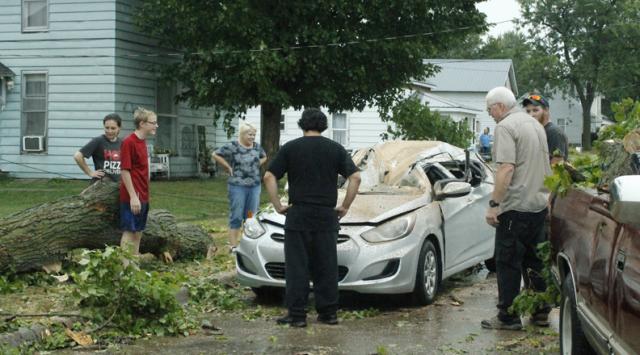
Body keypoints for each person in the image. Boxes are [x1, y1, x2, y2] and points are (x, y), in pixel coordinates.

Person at [264, 108, 361, 328]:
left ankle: (297, 315)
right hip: (326, 216)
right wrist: (345, 206)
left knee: (297, 266)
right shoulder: (335, 149)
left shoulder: (290, 148)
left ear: (302, 124)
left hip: (298, 215)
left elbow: (269, 176)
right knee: (326, 265)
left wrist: (278, 204)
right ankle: (328, 313)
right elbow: (355, 177)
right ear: (324, 125)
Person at [482, 87, 552, 330]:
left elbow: (506, 169)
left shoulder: (505, 127)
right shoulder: (534, 124)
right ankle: (540, 311)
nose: (489, 114)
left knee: (508, 261)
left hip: (516, 207)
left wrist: (494, 205)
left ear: (500, 106)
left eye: (489, 108)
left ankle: (508, 317)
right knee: (535, 262)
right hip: (538, 205)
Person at [212, 122, 267, 251]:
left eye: (254, 134)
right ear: (242, 134)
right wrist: (227, 166)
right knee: (236, 215)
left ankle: (248, 245)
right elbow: (215, 154)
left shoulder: (257, 147)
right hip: (237, 186)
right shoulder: (233, 146)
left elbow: (264, 157)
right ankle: (233, 246)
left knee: (250, 216)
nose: (252, 137)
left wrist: (257, 164)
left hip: (254, 187)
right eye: (250, 134)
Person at [119, 107, 157, 257]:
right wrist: (133, 196)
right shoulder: (129, 142)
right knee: (129, 232)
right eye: (153, 123)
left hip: (143, 195)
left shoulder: (143, 142)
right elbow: (125, 170)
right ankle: (125, 270)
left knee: (138, 232)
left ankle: (133, 267)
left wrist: (144, 196)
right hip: (131, 197)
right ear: (142, 123)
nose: (155, 125)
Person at [73, 113, 123, 182]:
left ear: (119, 128)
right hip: (101, 185)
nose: (109, 131)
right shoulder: (98, 141)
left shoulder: (123, 143)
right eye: (107, 128)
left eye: (113, 128)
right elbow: (77, 156)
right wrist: (90, 173)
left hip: (118, 185)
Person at [522, 94, 569, 165]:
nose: (531, 115)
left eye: (535, 110)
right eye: (528, 111)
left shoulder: (554, 132)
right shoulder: (537, 131)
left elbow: (557, 163)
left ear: (546, 110)